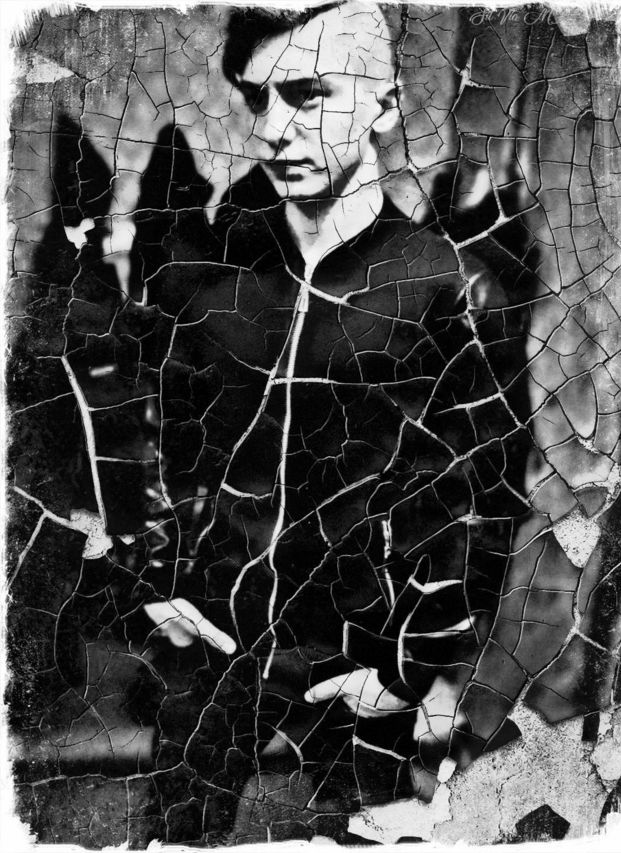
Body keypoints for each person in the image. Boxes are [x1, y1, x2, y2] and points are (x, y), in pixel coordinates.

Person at [66, 1, 534, 843]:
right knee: (179, 832)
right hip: (209, 642)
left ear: (383, 104)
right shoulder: (205, 283)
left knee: (357, 832)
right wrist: (157, 586)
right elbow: (147, 433)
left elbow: (485, 492)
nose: (275, 128)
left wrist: (407, 669)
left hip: (360, 662)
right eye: (259, 99)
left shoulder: (449, 289)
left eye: (309, 94)